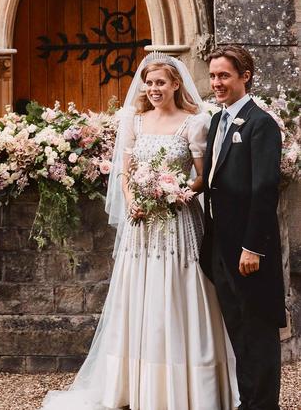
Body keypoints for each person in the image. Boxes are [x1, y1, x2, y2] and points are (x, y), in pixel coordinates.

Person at [42, 53, 236, 410]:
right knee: (140, 296)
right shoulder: (135, 120)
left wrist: (175, 194)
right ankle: (136, 386)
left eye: (160, 82)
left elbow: (202, 177)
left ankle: (189, 387)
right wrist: (132, 200)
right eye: (149, 83)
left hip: (177, 222)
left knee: (179, 296)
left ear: (176, 84)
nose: (154, 88)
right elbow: (124, 172)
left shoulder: (194, 123)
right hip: (141, 226)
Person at [200, 45, 285, 410]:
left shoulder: (260, 124)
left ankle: (264, 404)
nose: (216, 83)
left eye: (224, 76)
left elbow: (264, 191)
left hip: (249, 251)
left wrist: (253, 247)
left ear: (245, 76)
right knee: (238, 330)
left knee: (259, 331)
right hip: (221, 245)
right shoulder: (219, 121)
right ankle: (248, 401)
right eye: (213, 75)